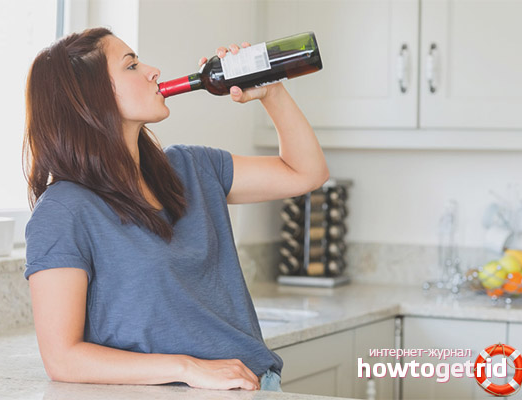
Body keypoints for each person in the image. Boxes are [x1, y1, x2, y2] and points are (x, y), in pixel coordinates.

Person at [23, 27, 329, 392]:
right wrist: (188, 368)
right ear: (88, 96)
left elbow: (306, 173)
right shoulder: (63, 211)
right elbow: (62, 358)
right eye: (131, 66)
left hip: (256, 385)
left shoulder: (190, 168)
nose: (153, 71)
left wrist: (270, 90)